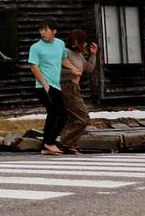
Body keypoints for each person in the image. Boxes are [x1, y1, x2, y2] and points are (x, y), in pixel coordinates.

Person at [28, 20, 68, 155]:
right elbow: (34, 66)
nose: (42, 33)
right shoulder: (36, 47)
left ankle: (47, 143)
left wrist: (74, 70)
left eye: (45, 30)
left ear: (54, 31)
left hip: (55, 85)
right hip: (42, 85)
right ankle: (48, 143)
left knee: (61, 114)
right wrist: (44, 82)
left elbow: (63, 60)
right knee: (55, 112)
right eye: (41, 30)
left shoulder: (60, 44)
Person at [59, 29, 98, 155]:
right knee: (83, 117)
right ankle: (65, 142)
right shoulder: (65, 52)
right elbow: (56, 71)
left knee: (74, 118)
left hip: (75, 87)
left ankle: (67, 144)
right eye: (83, 42)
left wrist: (93, 54)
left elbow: (88, 69)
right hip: (67, 86)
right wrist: (71, 72)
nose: (85, 44)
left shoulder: (79, 55)